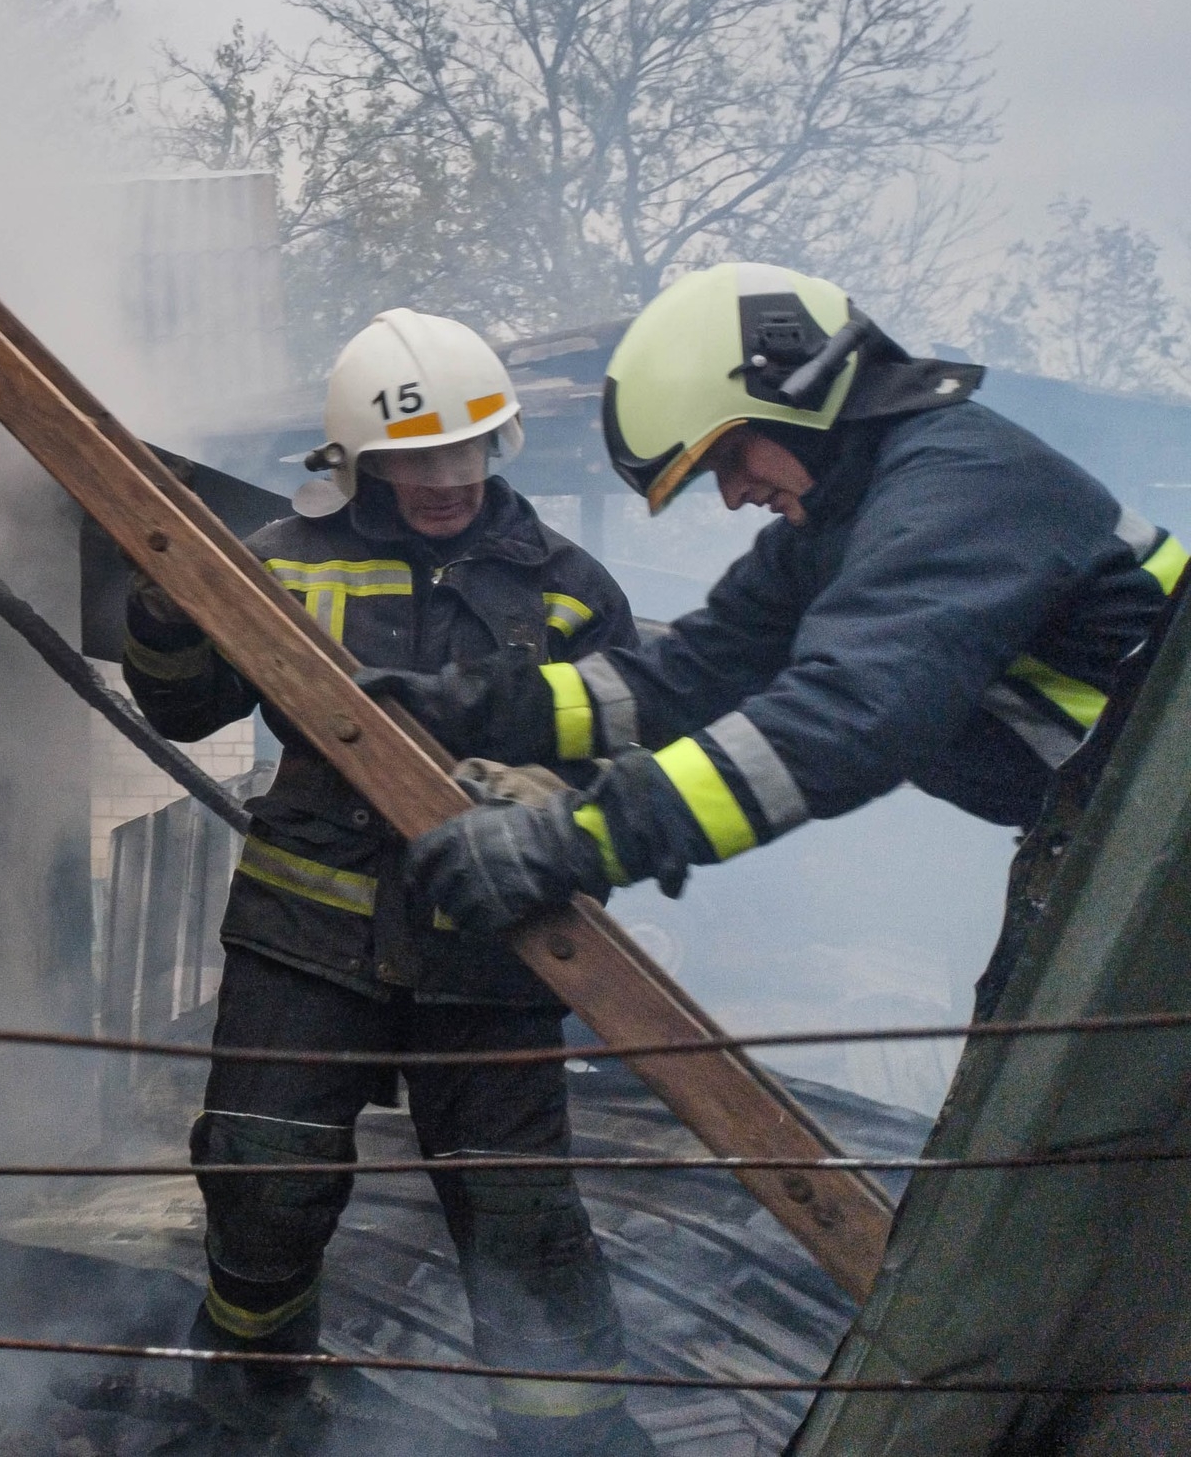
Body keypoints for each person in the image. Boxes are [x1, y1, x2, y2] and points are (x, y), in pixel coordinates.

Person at [368, 264, 1185, 1024]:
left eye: (728, 454)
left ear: (804, 389)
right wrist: (469, 708)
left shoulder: (965, 488)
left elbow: (843, 721)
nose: (731, 495)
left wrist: (579, 840)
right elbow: (686, 679)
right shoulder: (840, 524)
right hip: (1130, 851)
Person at [123, 308, 657, 1454]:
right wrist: (164, 607)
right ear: (355, 462)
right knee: (262, 1183)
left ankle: (569, 1437)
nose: (444, 477)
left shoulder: (568, 592)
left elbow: (635, 770)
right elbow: (176, 707)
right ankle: (251, 1413)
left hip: (493, 952)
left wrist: (561, 811)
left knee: (518, 1217)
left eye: (465, 449)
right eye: (414, 457)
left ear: (498, 444)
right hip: (302, 940)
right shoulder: (275, 565)